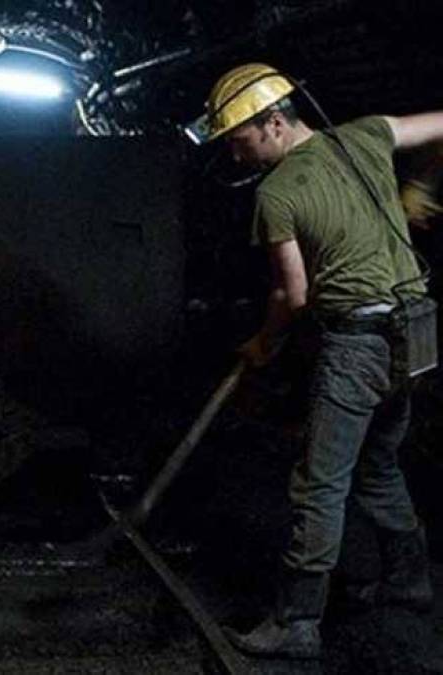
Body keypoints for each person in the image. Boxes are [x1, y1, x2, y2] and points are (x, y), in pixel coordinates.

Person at [187, 63, 443, 659]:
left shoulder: (276, 195)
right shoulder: (367, 134)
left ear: (273, 122)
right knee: (378, 464)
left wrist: (263, 343)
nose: (234, 153)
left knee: (318, 483)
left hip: (358, 344)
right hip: (417, 334)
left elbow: (292, 296)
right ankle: (409, 580)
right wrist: (423, 189)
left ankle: (297, 620)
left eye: (238, 139)